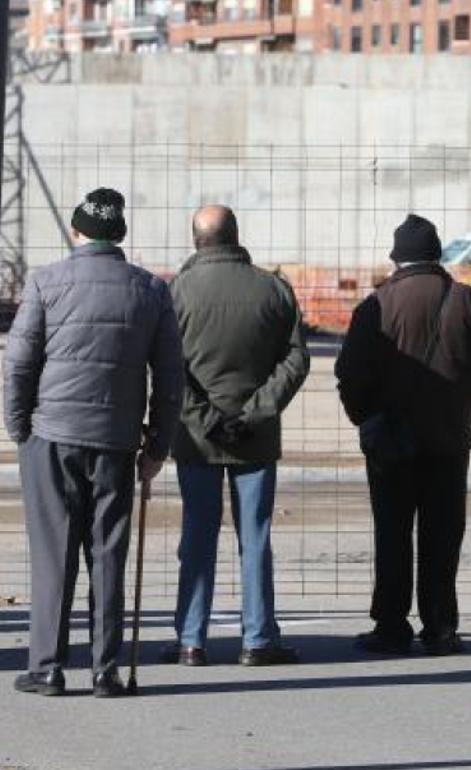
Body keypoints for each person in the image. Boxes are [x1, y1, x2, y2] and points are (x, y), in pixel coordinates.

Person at [4, 187, 183, 697]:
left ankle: (47, 667)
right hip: (117, 441)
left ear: (75, 232)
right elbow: (171, 376)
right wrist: (156, 447)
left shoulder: (45, 283)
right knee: (107, 553)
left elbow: (18, 363)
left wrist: (20, 427)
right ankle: (105, 669)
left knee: (53, 553)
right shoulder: (150, 290)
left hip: (52, 436)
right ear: (119, 236)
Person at [335, 213, 471, 656]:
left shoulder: (376, 306)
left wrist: (367, 420)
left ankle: (391, 625)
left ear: (397, 258)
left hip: (389, 443)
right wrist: (468, 413)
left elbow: (350, 375)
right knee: (442, 536)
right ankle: (440, 627)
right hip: (449, 441)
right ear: (436, 255)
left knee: (392, 535)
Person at [161, 205, 309, 667]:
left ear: (196, 240)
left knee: (197, 537)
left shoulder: (176, 293)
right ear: (235, 235)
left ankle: (191, 639)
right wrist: (256, 411)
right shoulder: (272, 288)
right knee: (256, 537)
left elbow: (169, 368)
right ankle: (258, 638)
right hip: (256, 436)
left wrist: (204, 417)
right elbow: (295, 360)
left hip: (196, 438)